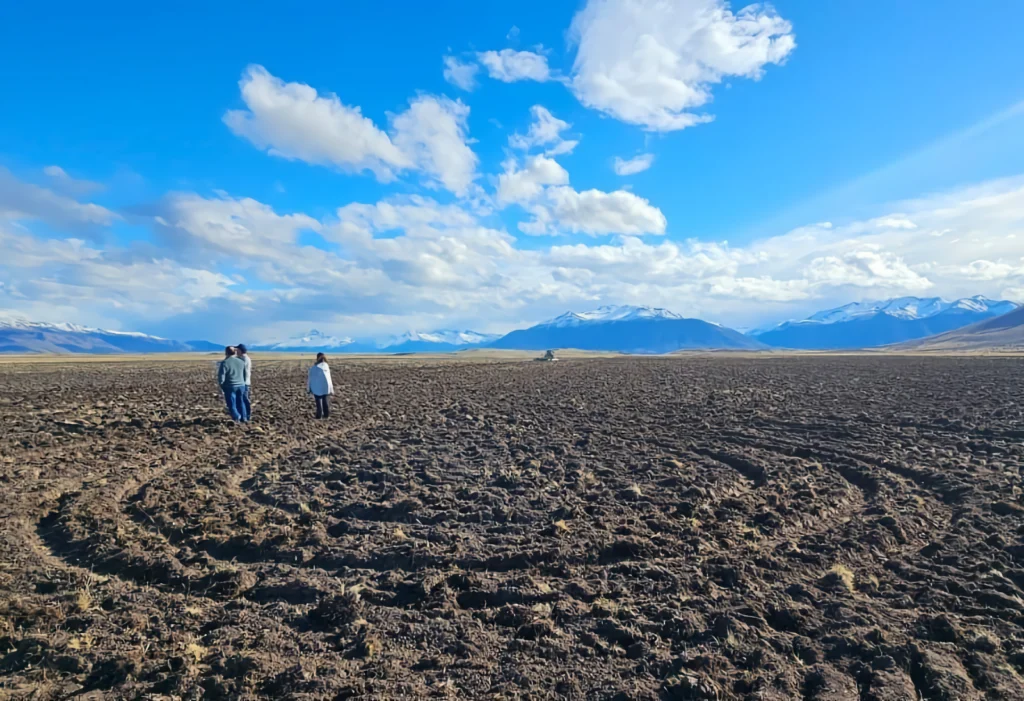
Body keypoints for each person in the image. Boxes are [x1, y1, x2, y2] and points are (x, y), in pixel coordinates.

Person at [218, 346, 250, 422]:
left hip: (230, 386)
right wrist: (243, 382)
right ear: (234, 352)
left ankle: (237, 416)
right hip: (241, 385)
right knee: (241, 402)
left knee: (231, 404)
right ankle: (244, 418)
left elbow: (221, 376)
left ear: (226, 353)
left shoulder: (225, 362)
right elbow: (244, 374)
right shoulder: (241, 361)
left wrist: (221, 386)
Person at [307, 353, 334, 419]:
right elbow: (329, 378)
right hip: (326, 387)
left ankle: (319, 416)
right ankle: (326, 415)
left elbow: (310, 379)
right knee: (325, 401)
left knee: (319, 401)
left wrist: (308, 389)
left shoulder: (314, 368)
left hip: (316, 388)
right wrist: (331, 389)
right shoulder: (326, 367)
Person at [236, 343, 252, 419]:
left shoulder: (244, 359)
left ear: (241, 350)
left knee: (243, 399)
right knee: (243, 398)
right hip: (243, 381)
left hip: (243, 382)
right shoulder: (242, 358)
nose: (236, 351)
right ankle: (245, 415)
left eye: (237, 350)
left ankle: (246, 415)